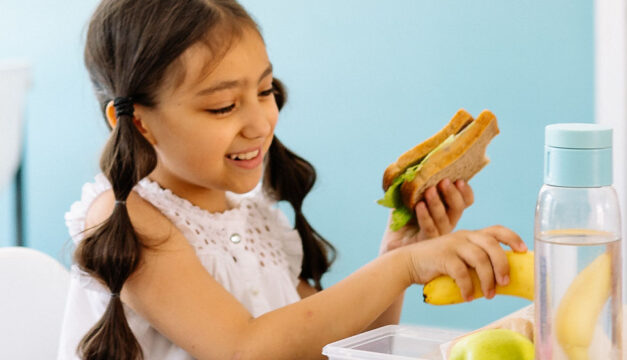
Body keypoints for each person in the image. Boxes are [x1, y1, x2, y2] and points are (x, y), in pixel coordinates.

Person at [57, 1, 527, 359]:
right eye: (223, 106)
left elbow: (327, 346)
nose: (260, 122)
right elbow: (245, 348)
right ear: (139, 123)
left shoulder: (255, 215)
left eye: (265, 91)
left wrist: (400, 252)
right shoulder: (130, 222)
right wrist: (403, 269)